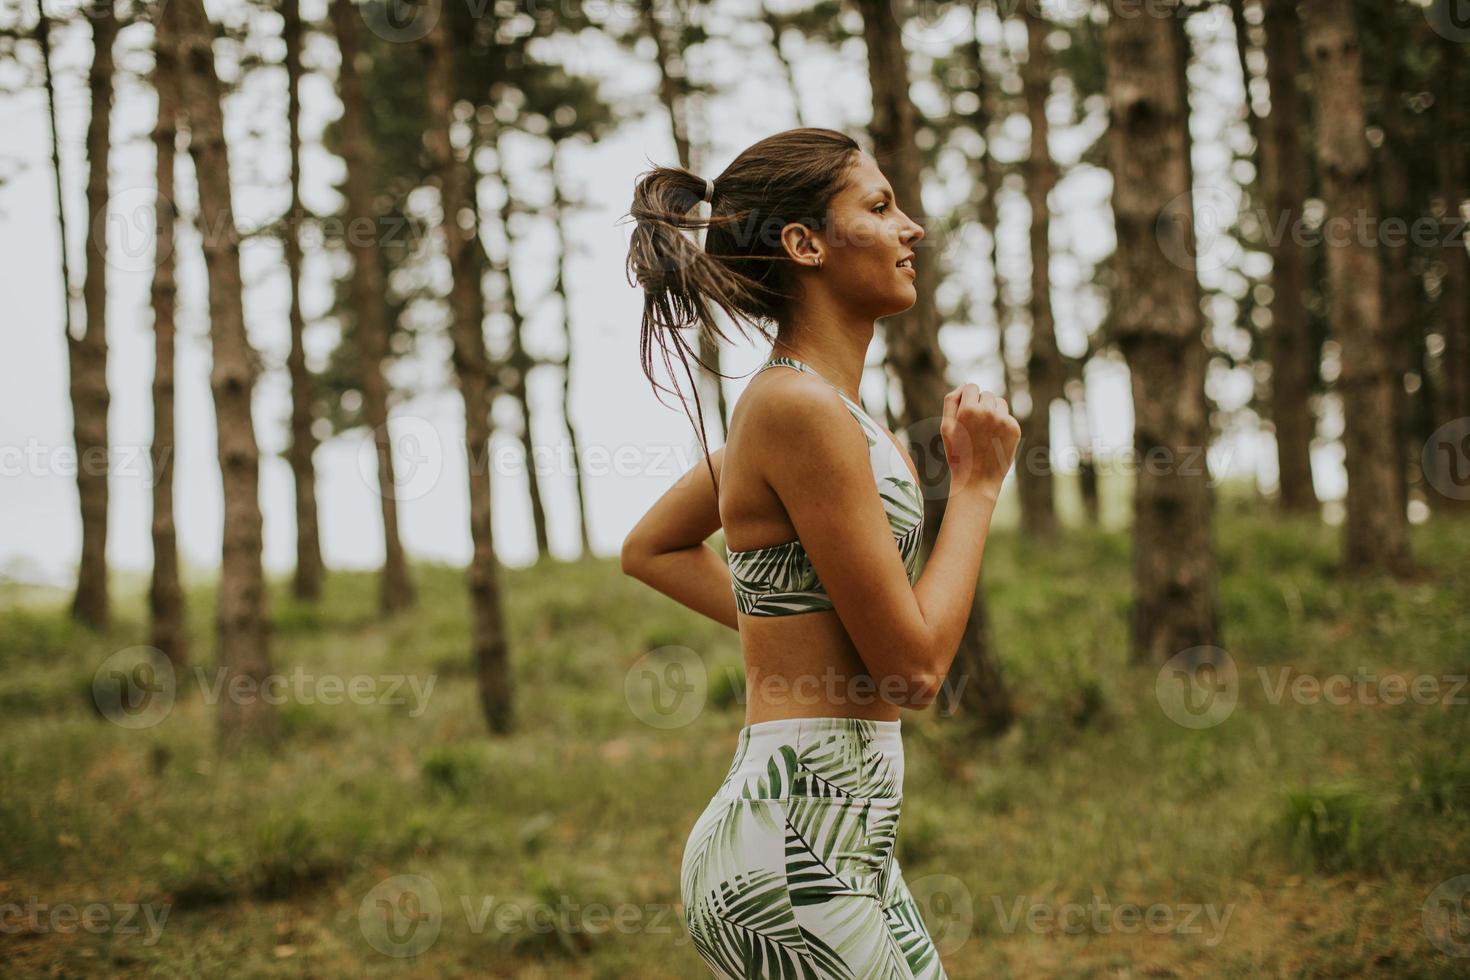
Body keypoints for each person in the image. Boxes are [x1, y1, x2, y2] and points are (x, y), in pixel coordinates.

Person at [620, 127, 1019, 979]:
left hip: (845, 841)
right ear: (804, 244)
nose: (911, 228)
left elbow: (652, 548)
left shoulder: (821, 415)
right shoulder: (795, 410)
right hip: (794, 852)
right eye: (879, 207)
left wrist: (792, 634)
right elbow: (913, 673)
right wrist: (978, 488)